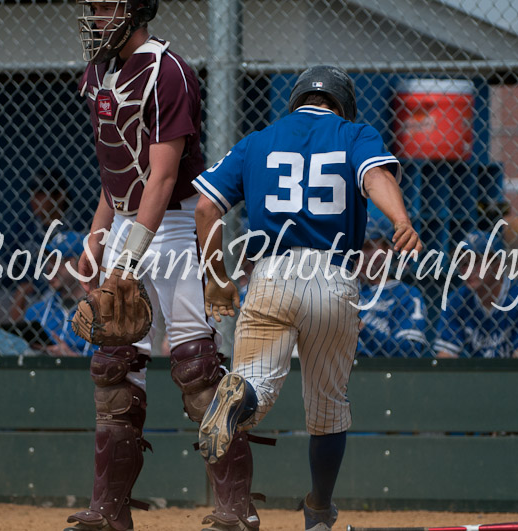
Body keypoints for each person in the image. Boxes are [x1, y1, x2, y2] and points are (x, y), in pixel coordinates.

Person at [193, 65, 423, 531]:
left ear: (296, 99)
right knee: (327, 407)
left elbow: (205, 208)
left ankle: (240, 395)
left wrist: (216, 277)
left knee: (255, 385)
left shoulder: (258, 141)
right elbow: (375, 176)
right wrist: (400, 219)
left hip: (271, 275)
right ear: (342, 103)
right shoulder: (354, 134)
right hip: (333, 278)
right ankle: (318, 509)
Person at [64, 2, 251, 530]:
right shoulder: (100, 71)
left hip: (175, 222)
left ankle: (236, 508)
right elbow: (116, 172)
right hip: (128, 219)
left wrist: (127, 260)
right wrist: (98, 240)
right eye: (92, 7)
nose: (95, 17)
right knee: (113, 365)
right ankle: (110, 509)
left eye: (105, 7)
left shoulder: (168, 71)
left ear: (136, 8)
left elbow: (163, 177)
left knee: (196, 368)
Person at [0, 167, 75, 324]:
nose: (33, 199)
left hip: (59, 291)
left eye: (40, 194)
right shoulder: (25, 226)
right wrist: (21, 284)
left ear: (60, 196)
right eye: (32, 194)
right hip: (26, 291)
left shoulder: (77, 226)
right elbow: (7, 262)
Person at [433, 230, 518, 359]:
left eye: (477, 262)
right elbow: (445, 355)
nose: (468, 270)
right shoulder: (457, 300)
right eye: (464, 263)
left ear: (498, 265)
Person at [357, 209, 428, 358]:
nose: (360, 255)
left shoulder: (406, 295)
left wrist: (361, 328)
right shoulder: (340, 290)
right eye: (355, 248)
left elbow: (410, 351)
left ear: (388, 249)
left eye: (367, 247)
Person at [25, 231, 94, 357]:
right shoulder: (36, 312)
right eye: (49, 260)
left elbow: (112, 364)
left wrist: (70, 358)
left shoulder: (106, 315)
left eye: (58, 260)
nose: (49, 267)